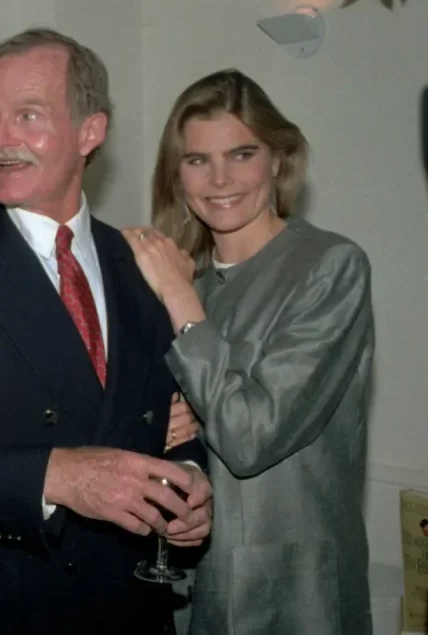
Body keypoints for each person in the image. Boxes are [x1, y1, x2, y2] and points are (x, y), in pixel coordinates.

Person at [0, 28, 212, 634]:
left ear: (90, 132)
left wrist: (194, 489)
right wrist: (56, 477)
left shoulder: (140, 262)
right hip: (4, 610)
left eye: (28, 115)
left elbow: (173, 424)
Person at [124, 69, 374, 634]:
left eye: (241, 154)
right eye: (197, 160)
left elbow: (250, 436)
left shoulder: (329, 267)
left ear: (278, 161)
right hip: (194, 589)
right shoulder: (195, 286)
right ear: (177, 175)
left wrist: (182, 299)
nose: (219, 179)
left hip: (295, 597)